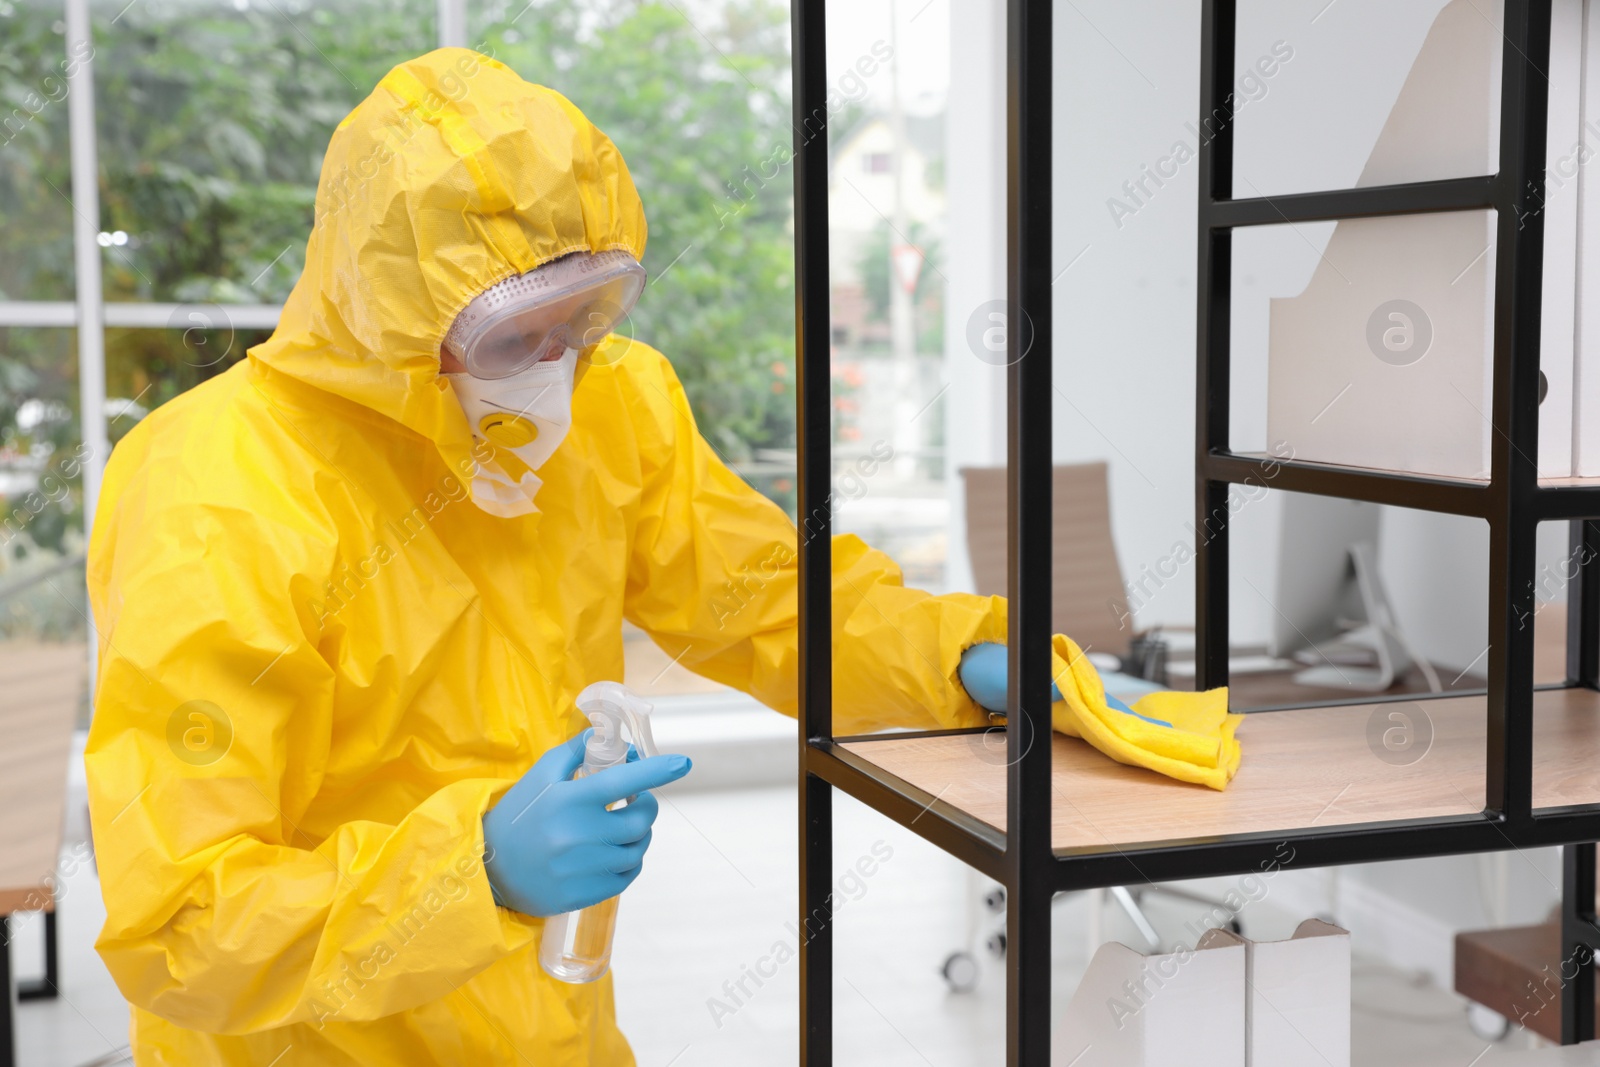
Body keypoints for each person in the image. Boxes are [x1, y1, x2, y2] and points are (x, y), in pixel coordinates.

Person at [83, 48, 1237, 1065]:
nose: (559, 367)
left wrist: (966, 656)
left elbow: (765, 600)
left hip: (552, 1029)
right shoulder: (220, 491)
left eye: (586, 317)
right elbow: (179, 918)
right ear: (388, 313)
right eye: (514, 332)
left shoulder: (612, 410)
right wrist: (467, 872)